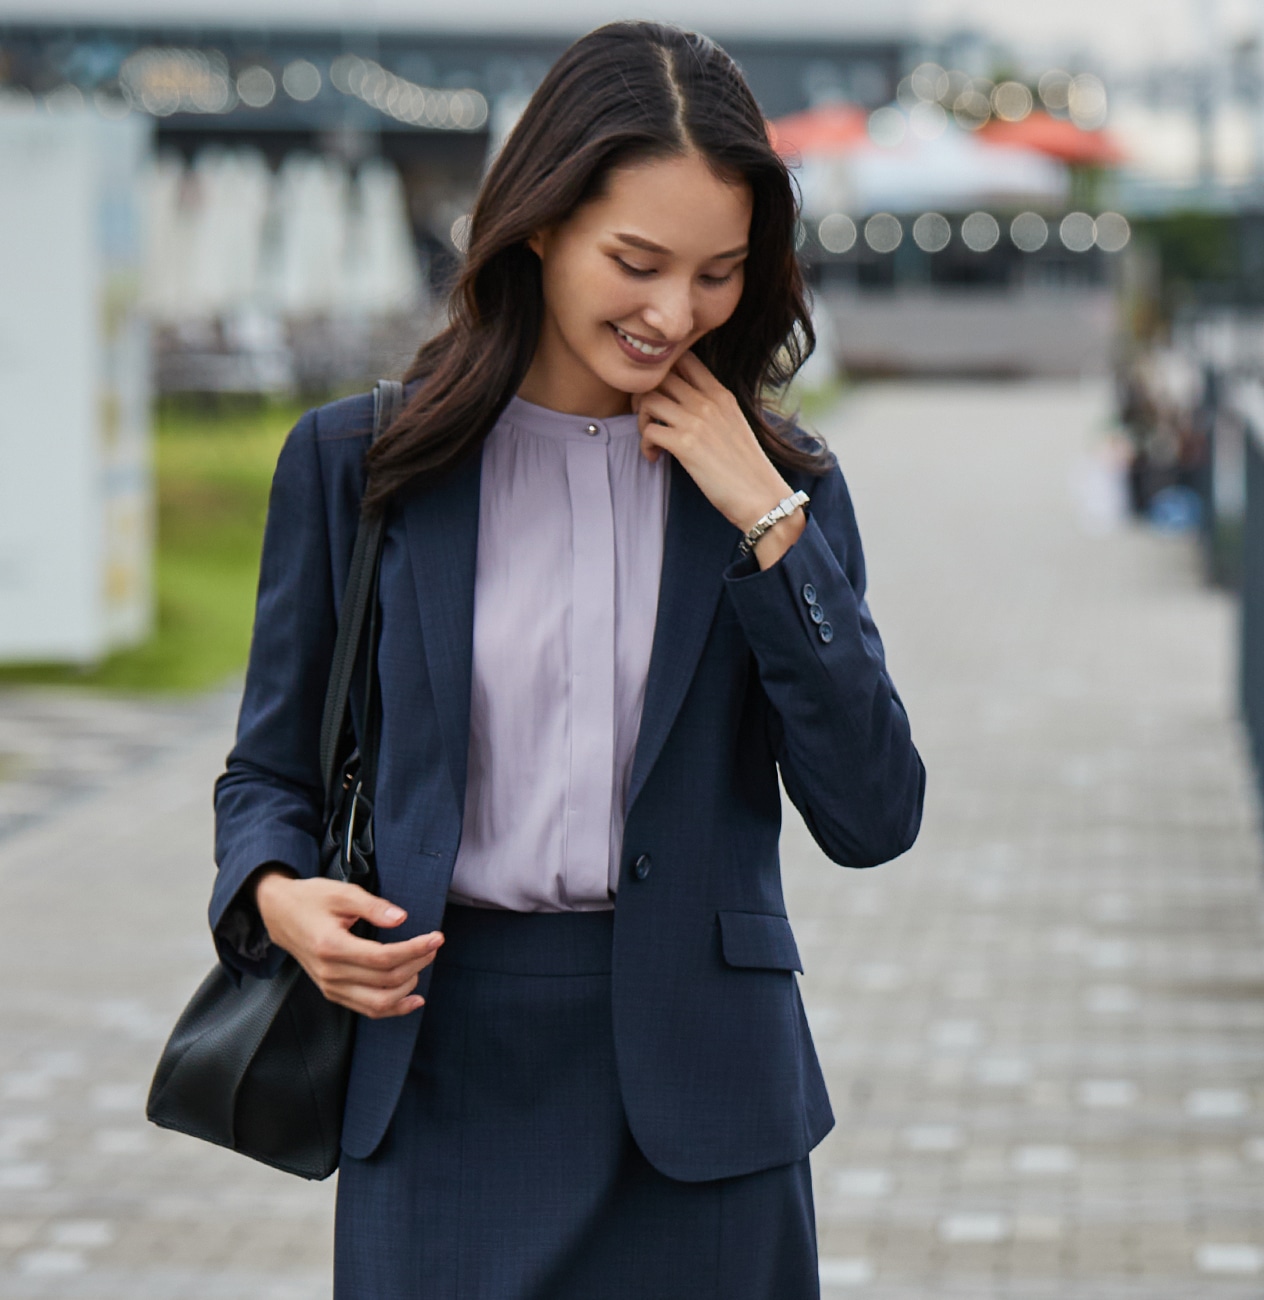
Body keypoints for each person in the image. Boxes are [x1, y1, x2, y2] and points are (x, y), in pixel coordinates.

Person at [208, 20, 924, 1300]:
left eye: (718, 274)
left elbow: (873, 814)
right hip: (437, 1075)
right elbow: (267, 773)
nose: (672, 314)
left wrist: (765, 521)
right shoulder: (357, 466)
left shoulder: (778, 492)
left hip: (708, 1109)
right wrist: (276, 896)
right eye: (635, 262)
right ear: (537, 225)